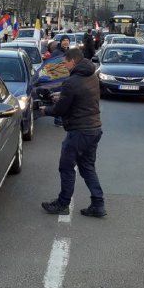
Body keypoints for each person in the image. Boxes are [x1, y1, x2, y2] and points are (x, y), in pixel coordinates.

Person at [39, 47, 106, 217]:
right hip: (94, 128)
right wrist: (62, 96)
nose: (64, 66)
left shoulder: (71, 82)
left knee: (66, 167)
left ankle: (63, 203)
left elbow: (60, 110)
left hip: (79, 131)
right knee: (87, 167)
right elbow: (81, 97)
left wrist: (45, 110)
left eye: (66, 63)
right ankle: (98, 204)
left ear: (73, 61)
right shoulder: (92, 76)